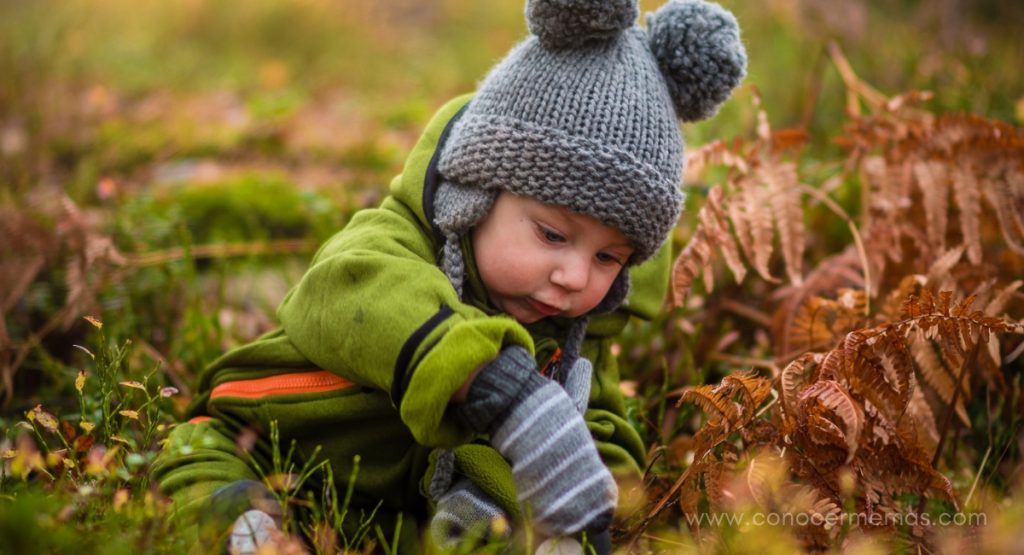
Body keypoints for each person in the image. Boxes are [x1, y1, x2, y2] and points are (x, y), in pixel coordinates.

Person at [152, 0, 746, 552]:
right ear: (474, 196)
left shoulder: (574, 336)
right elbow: (345, 289)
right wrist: (497, 387)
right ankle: (247, 526)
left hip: (399, 518)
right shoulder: (393, 243)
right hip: (267, 438)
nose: (573, 276)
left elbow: (603, 433)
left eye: (608, 258)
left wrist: (577, 505)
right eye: (552, 235)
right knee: (204, 460)